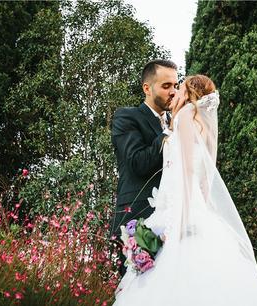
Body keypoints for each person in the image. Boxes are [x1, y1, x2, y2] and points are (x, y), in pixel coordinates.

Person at [113, 75, 257, 305]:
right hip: (196, 210)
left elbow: (184, 172)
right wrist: (197, 210)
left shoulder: (184, 117)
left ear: (189, 92)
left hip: (179, 211)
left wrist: (178, 222)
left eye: (180, 87)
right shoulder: (203, 124)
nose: (176, 92)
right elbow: (204, 179)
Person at [111, 59, 179, 276]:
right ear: (147, 88)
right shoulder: (127, 117)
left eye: (176, 86)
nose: (173, 92)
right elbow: (138, 163)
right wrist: (169, 130)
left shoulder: (179, 125)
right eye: (166, 86)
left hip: (172, 220)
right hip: (137, 220)